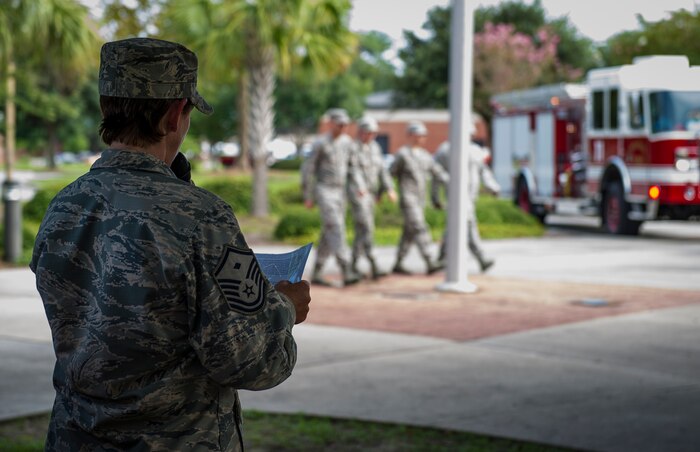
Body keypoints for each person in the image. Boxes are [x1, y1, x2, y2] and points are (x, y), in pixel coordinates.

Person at [30, 37, 311, 451]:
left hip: (76, 438)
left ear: (108, 108)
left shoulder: (65, 205)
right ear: (176, 113)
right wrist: (284, 309)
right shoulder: (202, 216)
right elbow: (251, 362)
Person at [301, 108, 361, 286]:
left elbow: (353, 167)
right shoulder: (320, 143)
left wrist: (359, 187)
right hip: (324, 190)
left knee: (329, 230)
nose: (343, 127)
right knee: (336, 226)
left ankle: (318, 270)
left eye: (345, 124)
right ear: (331, 124)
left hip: (340, 192)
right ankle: (346, 268)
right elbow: (308, 170)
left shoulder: (347, 143)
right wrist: (307, 195)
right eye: (340, 124)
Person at [432, 133, 501, 272]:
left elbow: (483, 172)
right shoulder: (445, 150)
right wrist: (435, 198)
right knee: (469, 224)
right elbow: (436, 177)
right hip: (455, 195)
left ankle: (441, 257)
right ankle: (481, 258)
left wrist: (493, 186)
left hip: (471, 195)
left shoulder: (475, 151)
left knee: (454, 226)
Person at [389, 120, 449, 275]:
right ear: (409, 135)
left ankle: (398, 263)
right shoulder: (403, 154)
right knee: (420, 227)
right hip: (408, 198)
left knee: (409, 232)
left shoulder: (425, 156)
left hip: (421, 199)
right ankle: (430, 260)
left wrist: (452, 182)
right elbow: (389, 174)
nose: (420, 138)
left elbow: (437, 171)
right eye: (417, 135)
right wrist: (389, 190)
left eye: (423, 136)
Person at [347, 116, 397, 279]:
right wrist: (360, 188)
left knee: (362, 229)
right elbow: (353, 170)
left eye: (373, 133)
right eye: (367, 132)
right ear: (360, 132)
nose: (370, 135)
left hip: (371, 194)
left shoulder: (375, 148)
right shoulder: (353, 148)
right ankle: (373, 263)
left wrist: (389, 188)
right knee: (367, 227)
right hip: (358, 194)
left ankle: (353, 264)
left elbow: (383, 170)